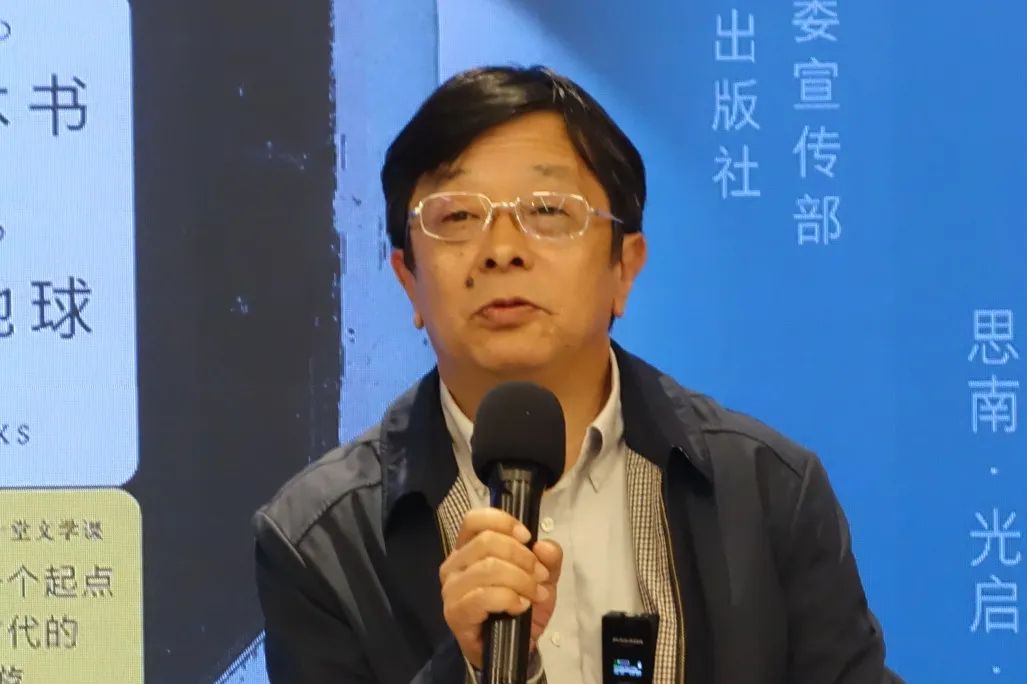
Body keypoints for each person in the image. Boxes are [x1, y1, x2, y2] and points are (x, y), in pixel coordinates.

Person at [253, 65, 902, 684]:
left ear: (625, 266)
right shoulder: (319, 538)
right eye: (457, 217)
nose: (502, 250)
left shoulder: (765, 491)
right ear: (408, 280)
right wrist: (466, 669)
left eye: (547, 211)